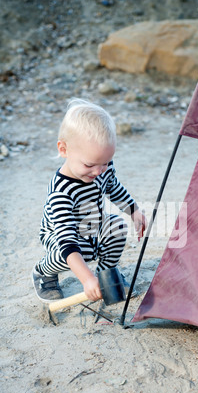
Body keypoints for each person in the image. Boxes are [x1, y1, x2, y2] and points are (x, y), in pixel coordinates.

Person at [32, 98, 147, 302]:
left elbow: (114, 187)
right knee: (72, 253)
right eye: (90, 165)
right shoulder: (62, 191)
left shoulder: (101, 165)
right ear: (64, 149)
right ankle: (43, 272)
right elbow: (67, 239)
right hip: (60, 235)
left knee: (117, 226)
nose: (98, 171)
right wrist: (86, 279)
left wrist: (134, 210)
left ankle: (106, 276)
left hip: (91, 224)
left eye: (104, 163)